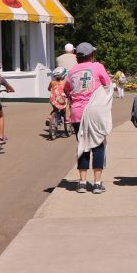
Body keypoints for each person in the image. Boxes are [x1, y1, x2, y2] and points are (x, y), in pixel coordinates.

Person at [66, 42, 113, 192]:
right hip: (94, 112)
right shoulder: (97, 67)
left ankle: (82, 182)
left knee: (82, 145)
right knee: (98, 146)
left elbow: (67, 89)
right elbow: (107, 84)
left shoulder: (71, 71)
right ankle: (97, 183)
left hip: (77, 112)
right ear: (91, 54)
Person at [47, 67, 70, 135]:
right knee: (67, 104)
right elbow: (67, 90)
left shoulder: (52, 82)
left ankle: (49, 118)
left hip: (53, 99)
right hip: (61, 99)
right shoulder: (64, 83)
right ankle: (67, 118)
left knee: (55, 109)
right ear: (63, 76)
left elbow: (49, 89)